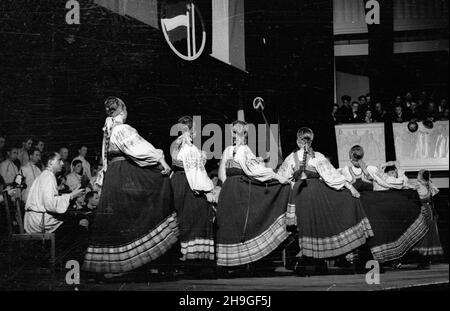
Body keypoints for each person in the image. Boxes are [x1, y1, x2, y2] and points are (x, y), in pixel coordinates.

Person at [82, 96, 178, 276]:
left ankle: (120, 266)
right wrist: (161, 162)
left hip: (114, 176)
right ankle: (128, 266)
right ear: (122, 111)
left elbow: (106, 159)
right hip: (123, 175)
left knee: (119, 218)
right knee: (134, 212)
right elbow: (141, 150)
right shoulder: (121, 129)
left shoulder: (109, 130)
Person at [278, 128, 373, 273]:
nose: (304, 143)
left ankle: (313, 262)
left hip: (307, 195)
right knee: (313, 227)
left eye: (305, 140)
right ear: (303, 141)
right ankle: (311, 262)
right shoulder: (305, 157)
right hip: (308, 195)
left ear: (303, 142)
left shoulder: (304, 157)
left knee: (310, 227)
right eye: (304, 140)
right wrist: (349, 187)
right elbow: (331, 178)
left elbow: (282, 178)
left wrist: (349, 187)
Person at [215, 120, 292, 270]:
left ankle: (227, 262)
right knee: (245, 221)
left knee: (229, 223)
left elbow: (222, 175)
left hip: (227, 190)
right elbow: (255, 171)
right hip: (239, 189)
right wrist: (277, 177)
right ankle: (244, 261)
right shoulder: (244, 150)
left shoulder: (227, 151)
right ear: (244, 133)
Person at [339, 146, 429, 265]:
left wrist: (403, 185)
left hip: (369, 208)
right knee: (363, 235)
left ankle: (369, 262)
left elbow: (385, 183)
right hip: (359, 207)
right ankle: (363, 262)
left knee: (371, 235)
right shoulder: (346, 170)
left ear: (351, 157)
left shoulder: (369, 169)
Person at [170, 116, 217, 274]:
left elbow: (179, 161)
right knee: (198, 214)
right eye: (195, 128)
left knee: (183, 217)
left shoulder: (179, 144)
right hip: (188, 183)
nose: (197, 131)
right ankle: (194, 261)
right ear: (191, 130)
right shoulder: (188, 147)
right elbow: (194, 171)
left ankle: (185, 258)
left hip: (178, 182)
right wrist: (207, 189)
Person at [23, 152, 87, 261]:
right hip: (40, 221)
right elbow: (50, 205)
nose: (62, 163)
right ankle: (65, 263)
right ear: (50, 162)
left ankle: (61, 260)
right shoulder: (48, 176)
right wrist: (71, 196)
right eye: (59, 160)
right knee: (78, 229)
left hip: (37, 218)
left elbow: (51, 200)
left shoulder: (46, 175)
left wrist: (70, 195)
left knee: (74, 222)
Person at [411, 170, 443, 268]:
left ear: (420, 176)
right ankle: (426, 261)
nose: (417, 176)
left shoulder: (418, 185)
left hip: (422, 209)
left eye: (418, 174)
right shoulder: (429, 184)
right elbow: (434, 193)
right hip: (429, 210)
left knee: (422, 234)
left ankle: (423, 261)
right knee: (428, 233)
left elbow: (419, 197)